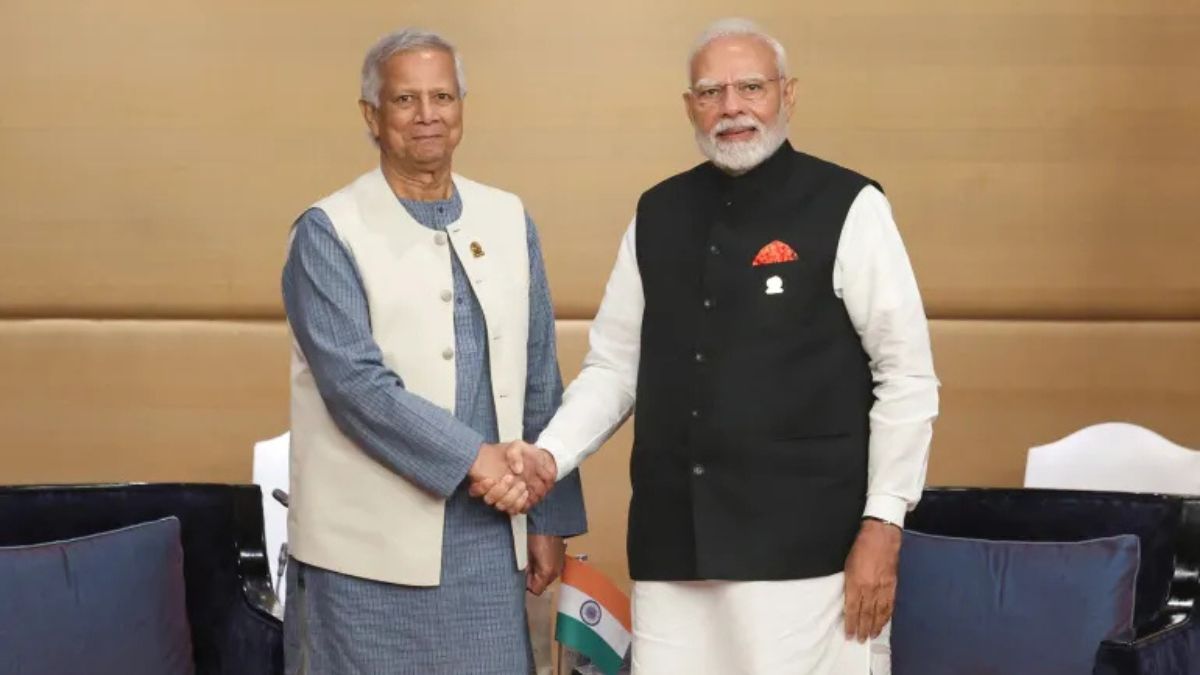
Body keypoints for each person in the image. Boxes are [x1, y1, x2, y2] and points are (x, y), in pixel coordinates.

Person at [529, 17, 938, 674]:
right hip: (673, 555)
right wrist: (546, 458)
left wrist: (884, 522)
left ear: (787, 94)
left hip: (810, 557)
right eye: (711, 92)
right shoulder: (656, 212)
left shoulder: (849, 205)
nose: (732, 108)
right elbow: (613, 368)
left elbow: (907, 376)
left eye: (751, 87)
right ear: (689, 105)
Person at [281, 27, 586, 675]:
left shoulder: (508, 218)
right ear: (371, 115)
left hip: (486, 541)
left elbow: (538, 372)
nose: (428, 116)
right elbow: (357, 389)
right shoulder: (327, 230)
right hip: (361, 553)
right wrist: (477, 460)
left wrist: (551, 516)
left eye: (443, 96)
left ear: (462, 108)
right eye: (405, 100)